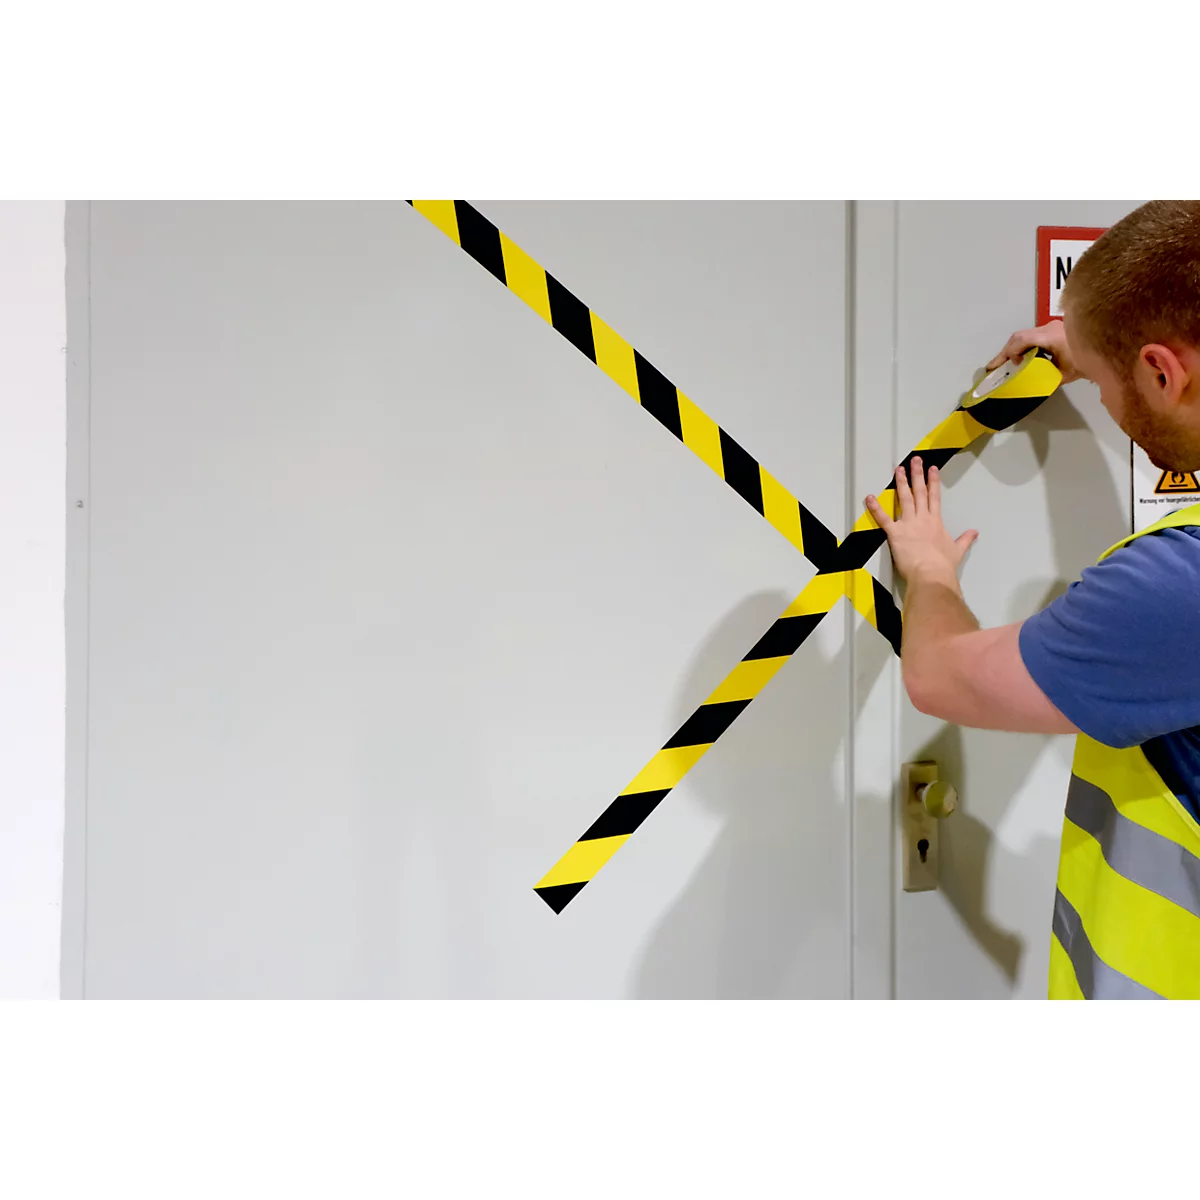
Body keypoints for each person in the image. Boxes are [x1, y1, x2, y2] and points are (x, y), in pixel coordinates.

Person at [864, 200, 1200, 1000]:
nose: (1108, 410)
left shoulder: (1172, 588)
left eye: (1115, 385)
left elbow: (940, 676)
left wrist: (932, 572)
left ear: (1163, 370)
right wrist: (1097, 345)